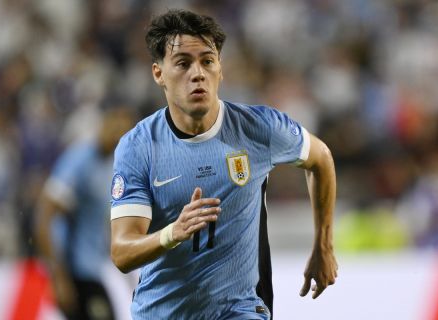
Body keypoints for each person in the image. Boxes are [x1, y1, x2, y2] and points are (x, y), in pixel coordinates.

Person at [110, 9, 337, 320]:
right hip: (161, 312)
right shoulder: (138, 147)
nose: (198, 73)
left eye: (207, 60)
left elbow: (321, 158)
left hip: (239, 309)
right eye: (183, 63)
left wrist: (323, 245)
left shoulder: (259, 128)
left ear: (220, 69)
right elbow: (122, 252)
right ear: (158, 73)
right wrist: (172, 233)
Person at [36, 105, 135, 320]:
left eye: (124, 130)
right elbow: (45, 214)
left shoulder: (113, 166)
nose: (118, 134)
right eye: (114, 126)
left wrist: (129, 277)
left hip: (91, 269)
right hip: (72, 272)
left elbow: (108, 224)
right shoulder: (79, 159)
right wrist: (58, 277)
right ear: (103, 124)